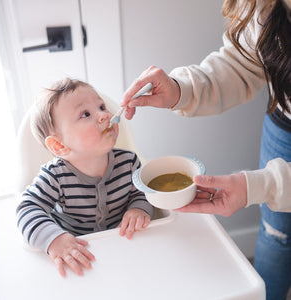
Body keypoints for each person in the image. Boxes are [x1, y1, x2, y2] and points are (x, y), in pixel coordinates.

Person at [121, 0, 291, 299]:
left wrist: (259, 187)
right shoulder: (262, 6)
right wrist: (180, 89)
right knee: (276, 234)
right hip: (283, 124)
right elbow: (242, 64)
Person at [16, 78, 153, 277]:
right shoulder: (55, 176)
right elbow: (26, 208)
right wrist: (54, 239)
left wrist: (138, 208)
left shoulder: (129, 162)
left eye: (102, 106)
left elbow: (142, 191)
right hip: (78, 257)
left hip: (123, 252)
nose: (104, 115)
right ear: (59, 146)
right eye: (86, 114)